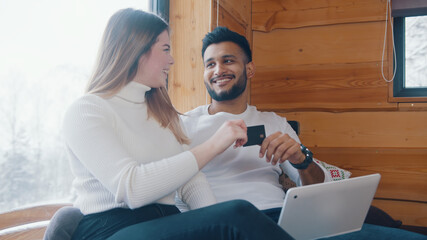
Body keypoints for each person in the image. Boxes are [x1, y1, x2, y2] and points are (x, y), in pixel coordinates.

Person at [62, 9, 293, 240]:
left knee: (234, 217)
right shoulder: (87, 110)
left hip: (165, 222)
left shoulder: (161, 113)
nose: (171, 59)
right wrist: (214, 144)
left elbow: (191, 182)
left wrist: (216, 221)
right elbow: (132, 188)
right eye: (165, 49)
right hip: (113, 229)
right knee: (238, 212)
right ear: (137, 50)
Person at [180, 26, 426, 239]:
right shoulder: (184, 124)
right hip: (225, 224)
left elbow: (313, 190)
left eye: (228, 60)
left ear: (250, 69)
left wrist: (302, 159)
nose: (218, 70)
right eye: (210, 64)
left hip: (283, 221)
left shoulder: (274, 123)